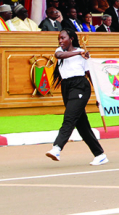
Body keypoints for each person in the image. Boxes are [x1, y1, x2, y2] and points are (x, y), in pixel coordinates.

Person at [44, 30, 108, 166]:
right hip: (66, 87)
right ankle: (100, 154)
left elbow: (90, 75)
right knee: (82, 124)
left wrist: (99, 95)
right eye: (59, 39)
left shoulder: (83, 55)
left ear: (71, 38)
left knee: (69, 118)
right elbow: (59, 56)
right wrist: (78, 53)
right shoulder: (63, 51)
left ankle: (57, 148)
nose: (60, 41)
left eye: (63, 38)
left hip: (80, 86)